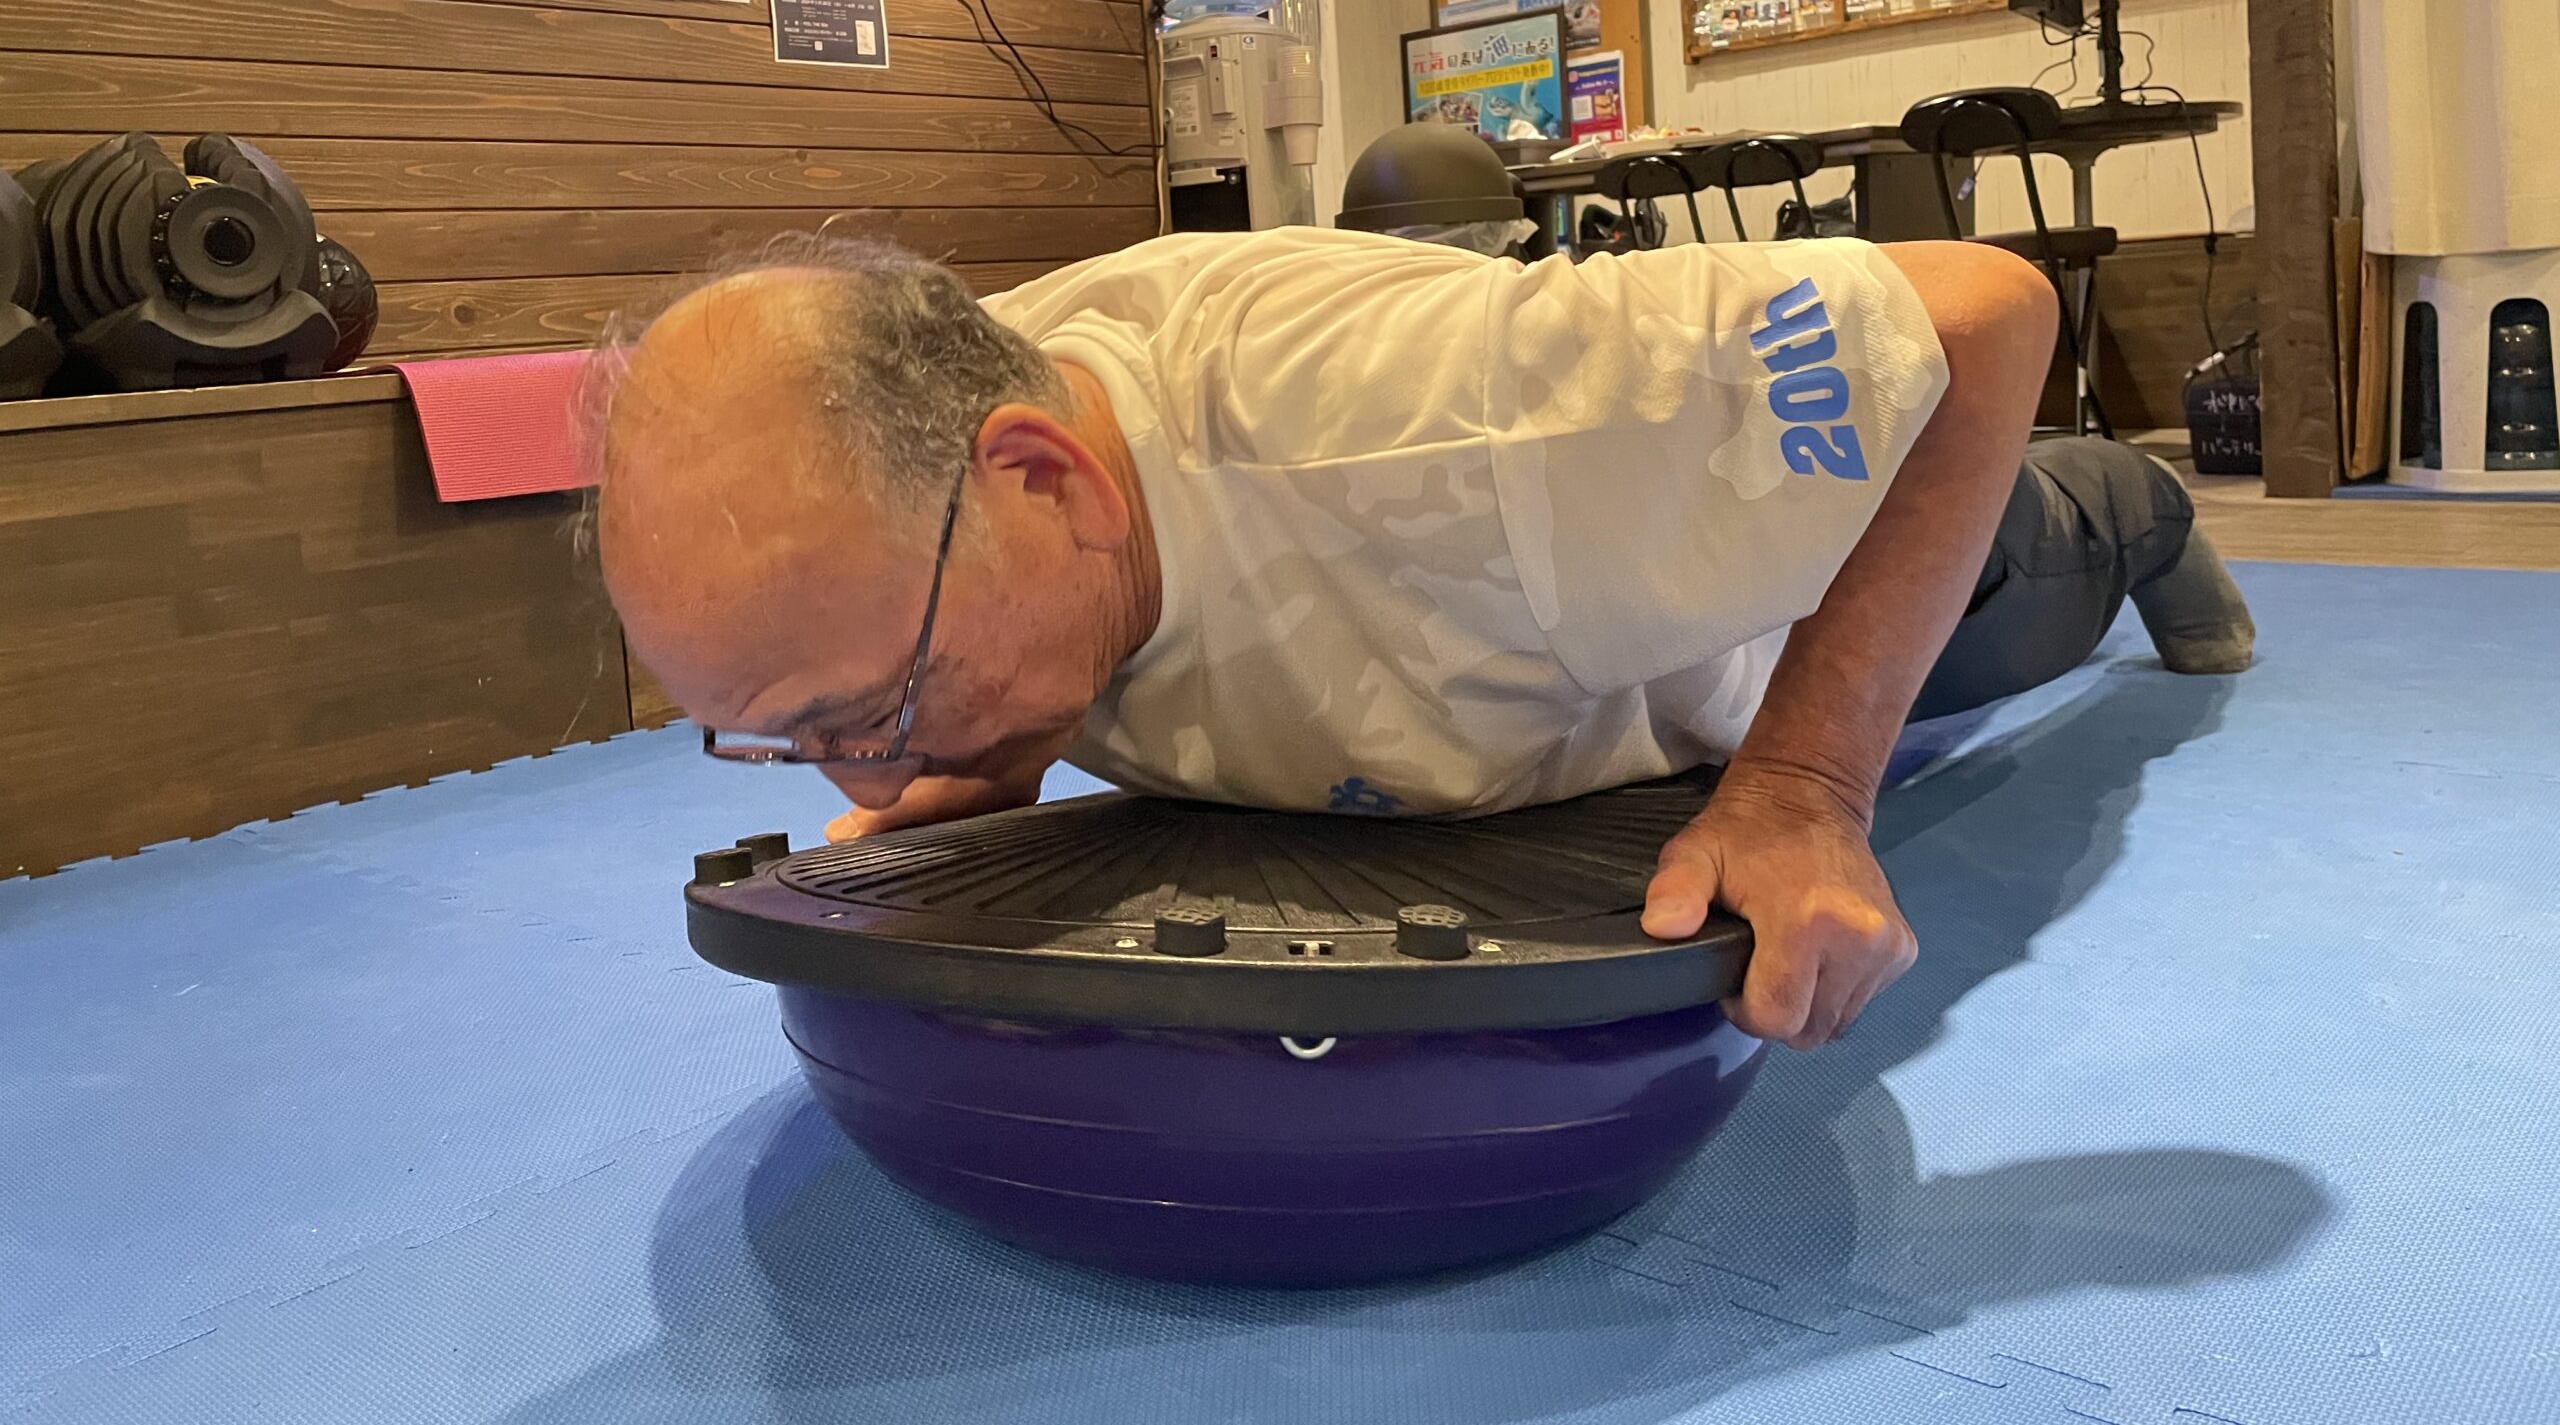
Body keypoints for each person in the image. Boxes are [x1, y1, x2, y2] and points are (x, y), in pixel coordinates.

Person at [594, 227, 2251, 1053]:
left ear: (1052, 483)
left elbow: (1982, 316)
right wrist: (974, 732)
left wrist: (1811, 783)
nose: (862, 783)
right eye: (792, 737)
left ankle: (2156, 523)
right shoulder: (954, 466)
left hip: (1798, 601)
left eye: (874, 705)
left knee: (2062, 525)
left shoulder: (1474, 424)